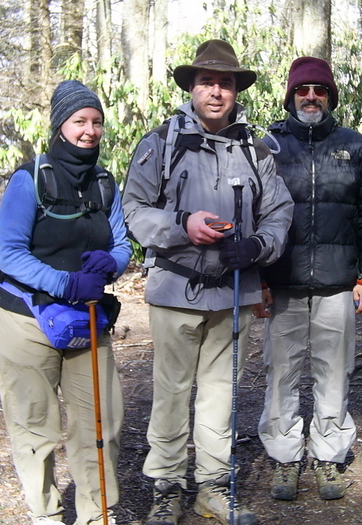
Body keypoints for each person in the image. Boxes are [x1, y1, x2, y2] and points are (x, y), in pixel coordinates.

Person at [122, 39, 294, 525]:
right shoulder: (161, 143)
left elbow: (279, 210)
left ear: (236, 90)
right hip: (175, 289)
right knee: (172, 391)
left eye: (225, 82)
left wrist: (260, 247)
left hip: (234, 291)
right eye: (206, 82)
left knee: (221, 393)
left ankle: (213, 487)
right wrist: (182, 227)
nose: (216, 91)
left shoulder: (254, 148)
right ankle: (167, 489)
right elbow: (133, 209)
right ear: (192, 88)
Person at [0, 80, 132, 525]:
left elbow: (123, 243)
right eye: (79, 122)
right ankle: (45, 515)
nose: (89, 131)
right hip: (22, 319)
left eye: (96, 123)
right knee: (35, 426)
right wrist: (67, 283)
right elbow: (9, 253)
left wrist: (113, 261)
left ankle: (97, 515)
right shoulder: (31, 179)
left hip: (84, 320)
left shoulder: (105, 184)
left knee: (102, 420)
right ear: (59, 126)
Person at [254, 57, 362, 502]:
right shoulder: (267, 147)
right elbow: (252, 216)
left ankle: (329, 457)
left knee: (334, 374)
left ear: (330, 97)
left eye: (319, 90)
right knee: (281, 373)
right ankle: (285, 456)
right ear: (290, 96)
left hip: (338, 285)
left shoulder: (355, 147)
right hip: (282, 283)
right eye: (302, 90)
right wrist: (258, 278)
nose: (310, 97)